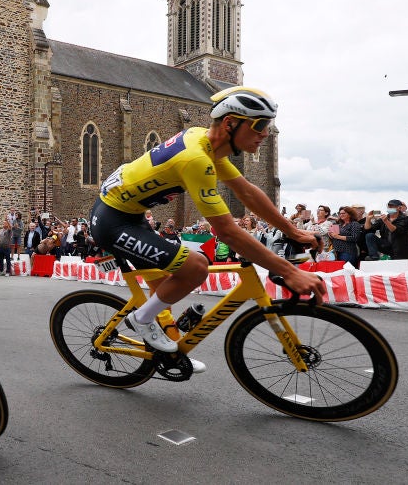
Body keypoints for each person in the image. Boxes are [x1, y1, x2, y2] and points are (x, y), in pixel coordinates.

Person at [89, 87, 324, 373]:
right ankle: (139, 321)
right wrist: (289, 271)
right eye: (260, 125)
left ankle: (170, 350)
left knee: (165, 294)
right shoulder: (196, 159)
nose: (265, 133)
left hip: (131, 215)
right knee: (195, 267)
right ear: (230, 124)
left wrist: (295, 232)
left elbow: (247, 192)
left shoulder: (206, 144)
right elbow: (226, 232)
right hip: (113, 221)